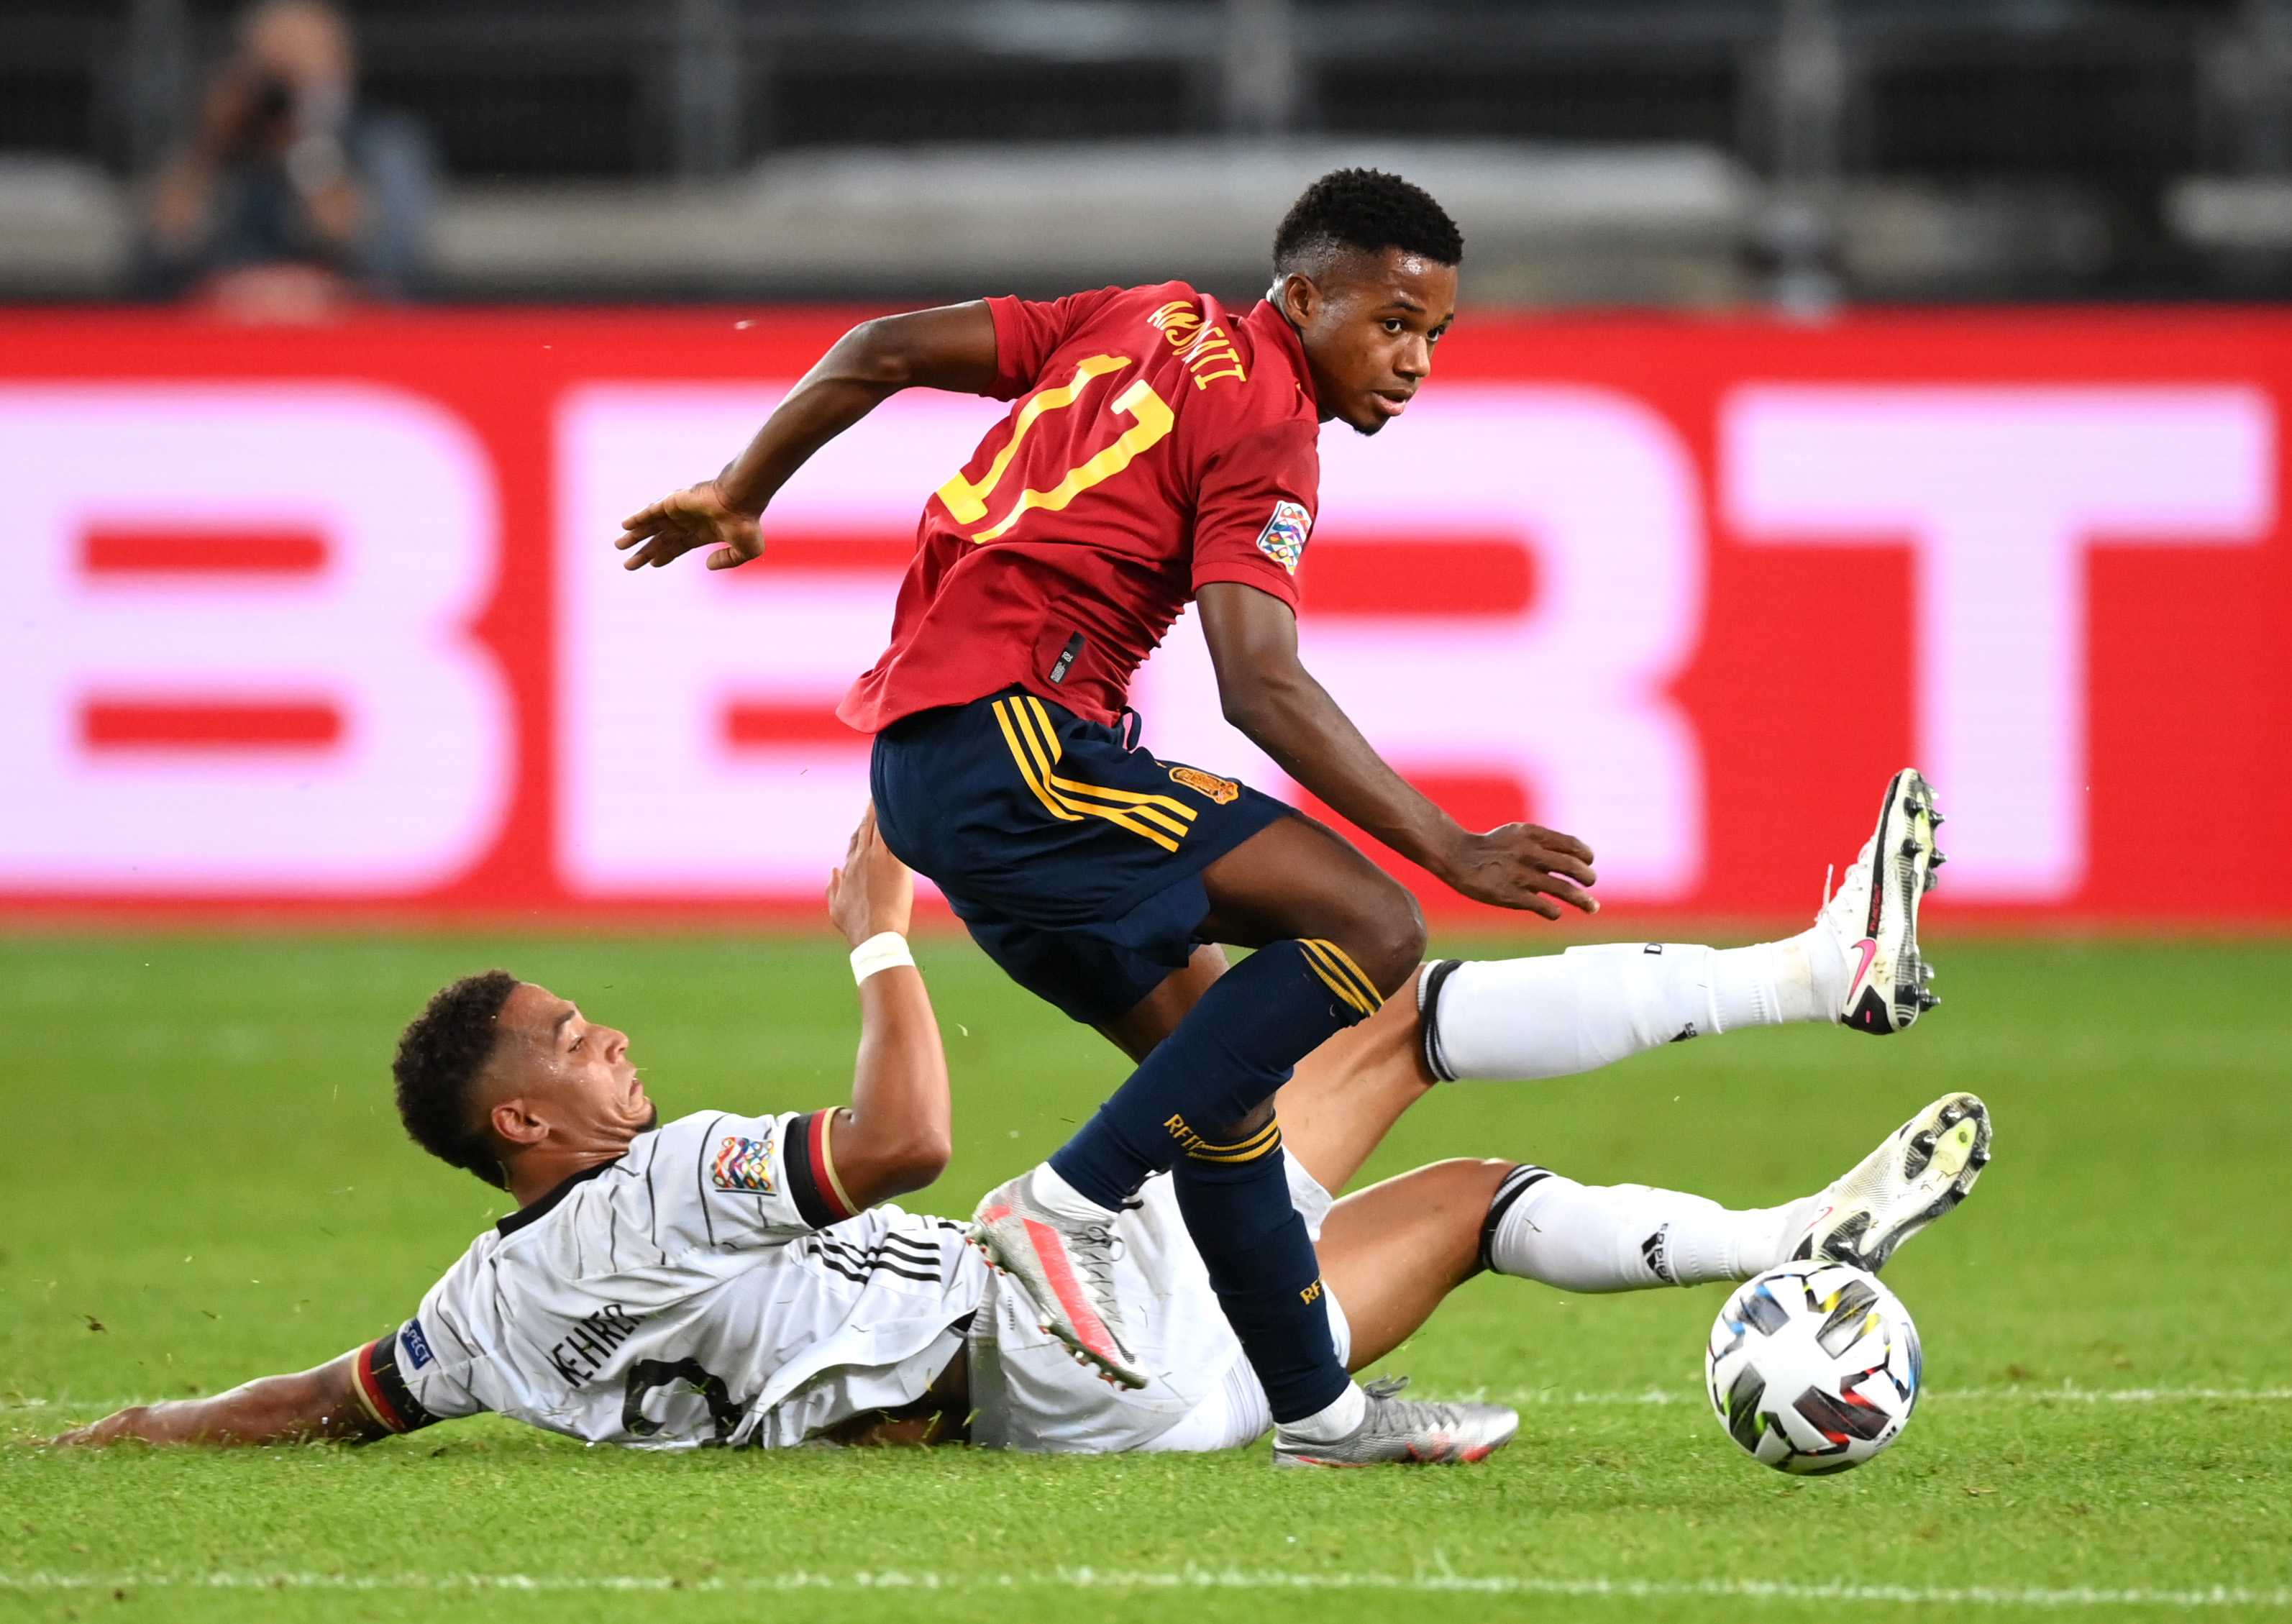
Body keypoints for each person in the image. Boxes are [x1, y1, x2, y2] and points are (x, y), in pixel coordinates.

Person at [614, 165, 1946, 1464]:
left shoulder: (1139, 315)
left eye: (1433, 332)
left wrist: (744, 487)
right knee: (1374, 921)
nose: (1416, 359)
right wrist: (1451, 844)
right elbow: (1257, 682)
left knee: (1224, 1088)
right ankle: (1066, 1205)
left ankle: (1317, 1414)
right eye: (1393, 322)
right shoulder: (1266, 423)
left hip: (938, 763)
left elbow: (880, 346)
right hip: (1017, 740)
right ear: (1304, 298)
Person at [53, 800, 1985, 1465]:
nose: (612, 1031)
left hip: (1078, 1390)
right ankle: (1816, 982)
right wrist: (884, 935)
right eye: (578, 1033)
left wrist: (142, 1423)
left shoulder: (480, 1307)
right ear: (531, 1116)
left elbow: (329, 1395)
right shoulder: (652, 1181)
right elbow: (897, 1134)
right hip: (1047, 1312)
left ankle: (1787, 1215)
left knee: (1457, 1176)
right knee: (1388, 1014)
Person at [136, 0, 433, 313]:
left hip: (344, 332)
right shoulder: (223, 146)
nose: (284, 77)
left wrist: (305, 141)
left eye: (300, 55)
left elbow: (385, 260)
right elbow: (159, 252)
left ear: (341, 62)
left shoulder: (384, 143)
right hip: (224, 331)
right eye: (272, 60)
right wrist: (210, 146)